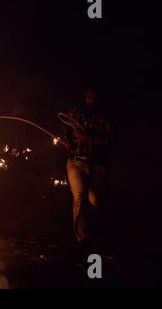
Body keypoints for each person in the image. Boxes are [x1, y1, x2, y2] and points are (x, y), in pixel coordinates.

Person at [63, 89, 112, 246]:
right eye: (90, 94)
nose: (92, 97)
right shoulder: (76, 111)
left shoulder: (106, 115)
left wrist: (88, 138)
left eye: (95, 95)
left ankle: (98, 231)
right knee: (79, 196)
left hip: (96, 165)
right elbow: (67, 131)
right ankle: (82, 237)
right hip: (76, 163)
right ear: (85, 95)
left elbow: (111, 140)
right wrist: (70, 143)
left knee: (96, 199)